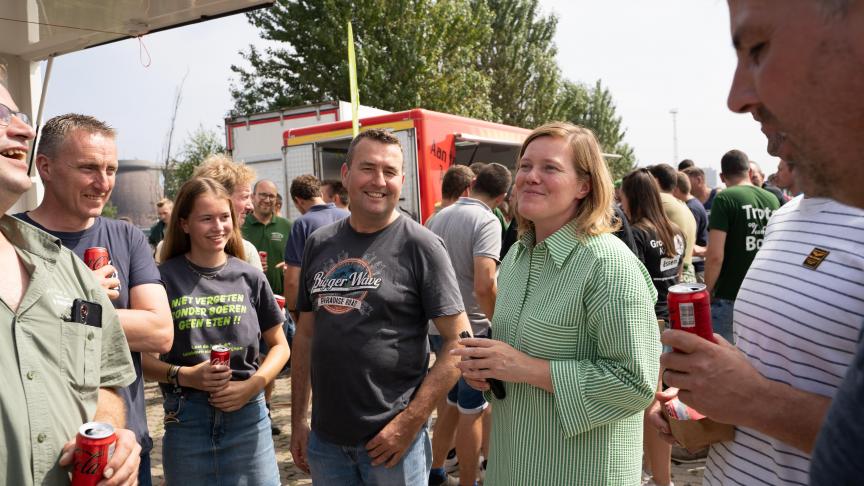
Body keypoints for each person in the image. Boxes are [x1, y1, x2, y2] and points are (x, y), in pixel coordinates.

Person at [646, 2, 864, 485]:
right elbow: (771, 372)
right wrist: (704, 401)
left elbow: (761, 394)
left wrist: (752, 398)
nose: (736, 97)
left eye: (760, 49)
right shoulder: (786, 214)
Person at [453, 122, 660, 485]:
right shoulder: (517, 256)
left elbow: (636, 384)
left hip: (580, 473)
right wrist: (487, 369)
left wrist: (527, 369)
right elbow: (514, 360)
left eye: (550, 168)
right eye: (526, 166)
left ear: (584, 185)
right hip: (510, 467)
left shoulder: (609, 265)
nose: (531, 177)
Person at [290, 129, 472, 484]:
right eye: (368, 168)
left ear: (402, 180)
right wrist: (299, 419)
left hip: (392, 445)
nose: (379, 181)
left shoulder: (423, 245)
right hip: (326, 444)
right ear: (345, 175)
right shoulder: (318, 243)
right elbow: (306, 337)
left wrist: (410, 422)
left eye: (389, 172)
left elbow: (459, 342)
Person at [0, 71, 140, 486]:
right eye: (1, 114)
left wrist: (113, 433)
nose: (24, 129)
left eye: (21, 116)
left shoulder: (67, 269)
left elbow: (107, 384)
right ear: (46, 168)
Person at [20, 113, 174, 485]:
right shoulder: (14, 239)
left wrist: (72, 307)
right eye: (88, 167)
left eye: (111, 169)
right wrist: (78, 298)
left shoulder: (127, 237)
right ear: (46, 167)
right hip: (38, 456)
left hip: (122, 449)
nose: (103, 182)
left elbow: (159, 332)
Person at [142, 177, 289, 485]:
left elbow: (280, 346)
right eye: (206, 218)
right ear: (184, 224)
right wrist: (185, 375)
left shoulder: (250, 276)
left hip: (249, 418)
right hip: (186, 419)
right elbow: (143, 361)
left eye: (224, 217)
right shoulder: (162, 279)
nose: (218, 227)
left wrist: (253, 387)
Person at [426, 163, 511, 486]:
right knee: (471, 410)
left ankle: (435, 470)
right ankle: (469, 481)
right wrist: (500, 321)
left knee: (449, 403)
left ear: (472, 183)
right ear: (502, 196)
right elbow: (485, 283)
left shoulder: (438, 216)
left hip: (438, 327)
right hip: (472, 329)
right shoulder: (487, 220)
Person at [620, 168, 684, 486]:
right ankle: (660, 475)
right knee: (662, 401)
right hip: (672, 323)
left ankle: (658, 477)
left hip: (650, 325)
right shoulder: (675, 230)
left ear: (630, 197)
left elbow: (636, 284)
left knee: (649, 404)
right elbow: (679, 276)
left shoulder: (637, 234)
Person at [703, 149, 779, 342]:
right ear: (748, 171)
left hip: (731, 296)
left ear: (722, 176)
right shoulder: (771, 199)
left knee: (719, 360)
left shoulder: (725, 198)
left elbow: (714, 256)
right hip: (766, 295)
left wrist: (707, 290)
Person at [282, 174, 350, 324]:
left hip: (318, 308)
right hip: (352, 300)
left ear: (298, 201)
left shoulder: (302, 224)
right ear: (320, 193)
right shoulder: (349, 216)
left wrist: (293, 310)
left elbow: (292, 279)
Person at [647, 164, 698, 283]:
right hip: (688, 274)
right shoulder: (682, 204)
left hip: (672, 276)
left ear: (656, 180)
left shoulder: (658, 202)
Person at [242, 179, 292, 296]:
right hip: (248, 296)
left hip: (280, 300)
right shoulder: (241, 225)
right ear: (253, 197)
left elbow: (297, 261)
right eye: (263, 195)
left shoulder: (287, 226)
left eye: (271, 196)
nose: (267, 200)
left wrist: (289, 266)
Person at [673, 171, 709, 282]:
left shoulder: (690, 208)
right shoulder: (694, 204)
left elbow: (688, 241)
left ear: (676, 189)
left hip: (697, 268)